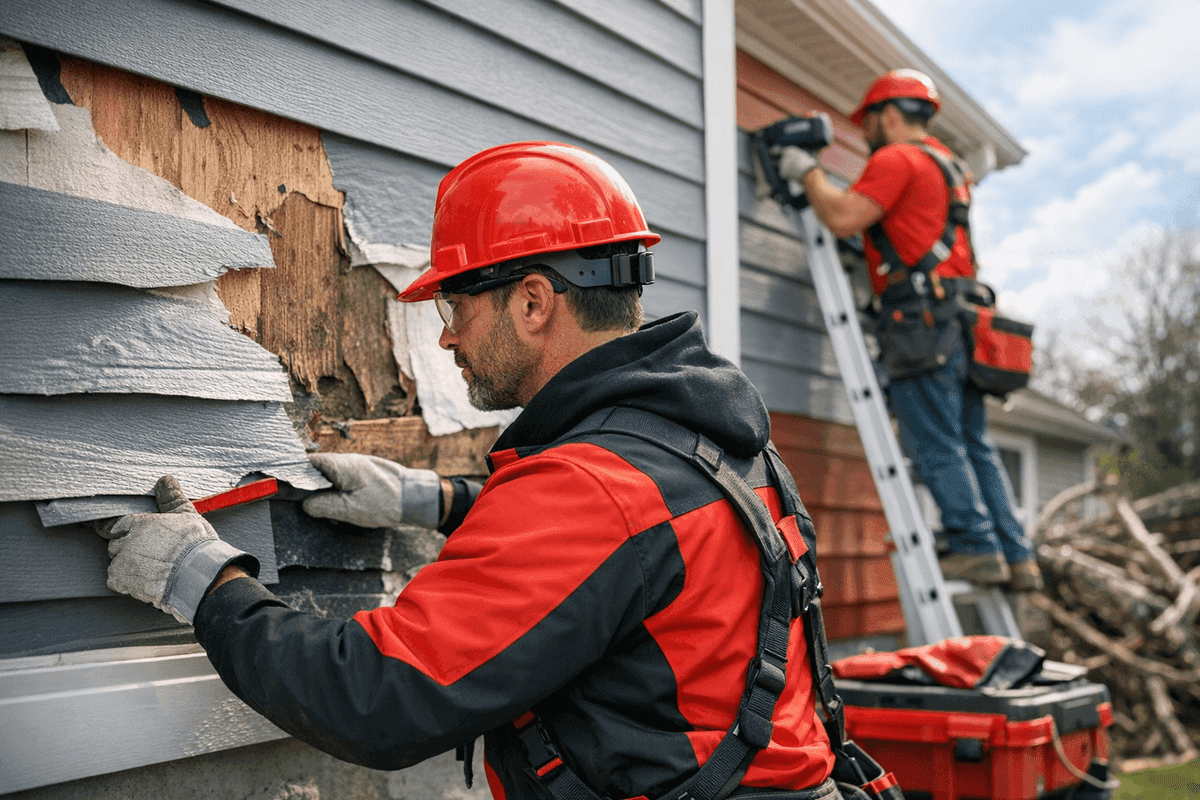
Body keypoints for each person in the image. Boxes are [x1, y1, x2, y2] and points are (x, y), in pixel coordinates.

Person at [103, 142, 848, 800]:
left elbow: (378, 697)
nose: (450, 338)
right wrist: (429, 500)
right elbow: (635, 548)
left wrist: (205, 581)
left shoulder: (591, 489)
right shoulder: (707, 439)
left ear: (532, 303)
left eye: (456, 306)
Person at [775, 70, 1042, 591]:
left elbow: (846, 217)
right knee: (973, 442)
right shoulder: (949, 166)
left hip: (920, 323)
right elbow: (912, 236)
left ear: (890, 115)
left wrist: (806, 172)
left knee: (935, 440)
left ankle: (974, 546)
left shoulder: (896, 158)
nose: (866, 133)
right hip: (958, 320)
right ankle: (1016, 554)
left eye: (869, 122)